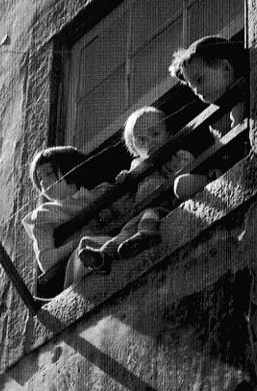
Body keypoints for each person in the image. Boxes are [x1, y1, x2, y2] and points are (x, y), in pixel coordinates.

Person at [78, 107, 193, 272]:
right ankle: (102, 257)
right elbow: (127, 201)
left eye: (155, 134)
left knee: (149, 215)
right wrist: (124, 184)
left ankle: (146, 234)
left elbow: (190, 171)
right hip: (140, 212)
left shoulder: (178, 154)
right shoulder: (137, 169)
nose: (149, 142)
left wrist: (178, 170)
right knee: (125, 232)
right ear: (134, 149)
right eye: (141, 140)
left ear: (168, 134)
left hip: (166, 203)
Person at [21, 146, 116, 288]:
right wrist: (76, 242)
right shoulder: (44, 214)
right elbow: (46, 261)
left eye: (49, 173)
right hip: (80, 265)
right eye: (39, 178)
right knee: (85, 251)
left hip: (112, 248)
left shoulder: (100, 192)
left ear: (70, 168)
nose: (43, 182)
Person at [168, 35, 248, 199]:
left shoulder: (242, 93)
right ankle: (216, 177)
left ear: (225, 69)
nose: (197, 91)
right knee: (180, 185)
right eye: (192, 87)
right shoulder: (215, 119)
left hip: (245, 160)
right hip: (224, 168)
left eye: (199, 79)